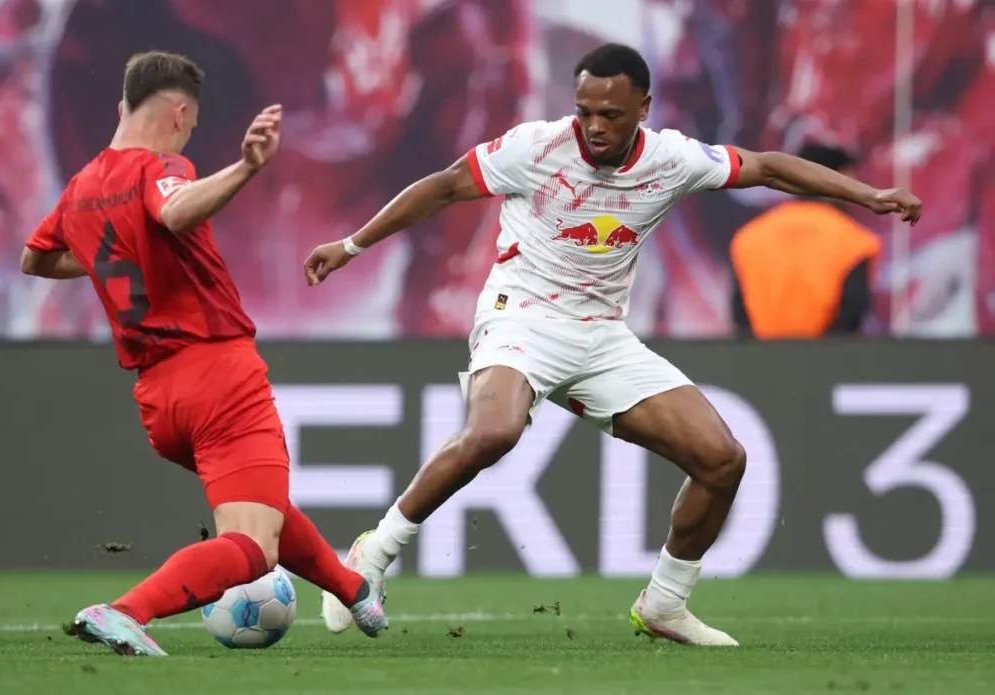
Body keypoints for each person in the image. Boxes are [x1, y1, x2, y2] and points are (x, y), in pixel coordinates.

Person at [304, 43, 921, 646]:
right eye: (585, 112)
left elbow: (768, 167)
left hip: (600, 335)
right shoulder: (534, 148)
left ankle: (665, 603)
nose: (594, 127)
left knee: (722, 460)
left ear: (644, 109)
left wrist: (868, 196)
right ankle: (372, 554)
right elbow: (443, 186)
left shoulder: (672, 158)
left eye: (611, 114)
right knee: (494, 431)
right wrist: (351, 246)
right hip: (521, 316)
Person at [19, 51, 387, 657]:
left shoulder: (81, 187)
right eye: (189, 126)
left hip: (159, 398)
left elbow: (34, 259)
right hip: (218, 375)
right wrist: (246, 168)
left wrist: (112, 257)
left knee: (262, 506)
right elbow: (175, 209)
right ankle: (123, 612)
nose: (186, 135)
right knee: (253, 547)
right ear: (179, 113)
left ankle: (356, 591)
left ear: (121, 106)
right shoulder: (162, 166)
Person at [730, 144, 882, 338]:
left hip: (762, 354)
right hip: (826, 356)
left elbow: (740, 314)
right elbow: (851, 313)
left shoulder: (750, 237)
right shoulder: (856, 241)